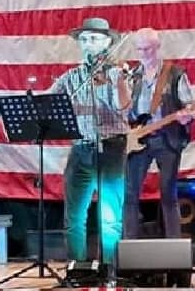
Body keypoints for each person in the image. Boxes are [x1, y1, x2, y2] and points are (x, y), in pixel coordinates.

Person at [49, 17, 132, 264]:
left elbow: (123, 107)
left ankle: (109, 270)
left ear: (108, 42)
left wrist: (119, 82)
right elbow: (49, 105)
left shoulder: (117, 72)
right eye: (83, 39)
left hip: (111, 148)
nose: (87, 44)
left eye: (94, 39)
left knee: (109, 217)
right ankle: (78, 268)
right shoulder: (70, 77)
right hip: (80, 148)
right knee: (73, 216)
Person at [122, 28, 195, 240]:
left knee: (168, 194)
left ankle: (174, 247)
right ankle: (130, 245)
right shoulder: (132, 76)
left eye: (147, 49)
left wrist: (187, 116)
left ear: (157, 47)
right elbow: (124, 108)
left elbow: (190, 106)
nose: (143, 53)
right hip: (139, 137)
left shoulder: (174, 74)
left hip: (167, 138)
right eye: (139, 49)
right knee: (129, 194)